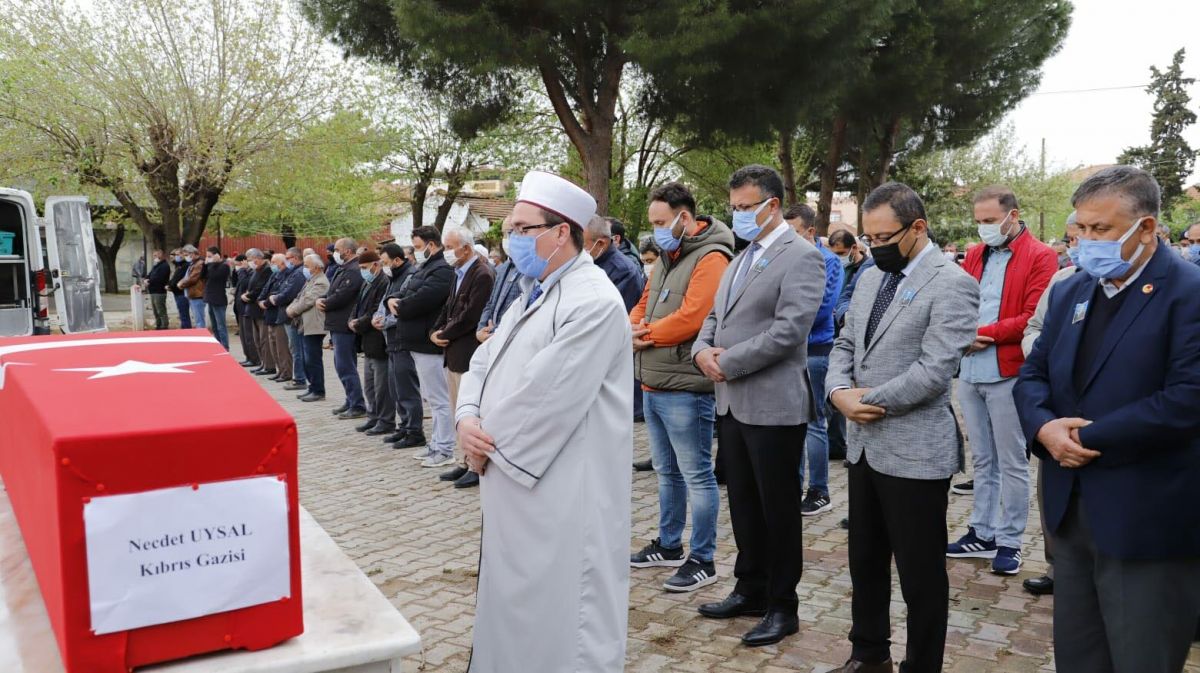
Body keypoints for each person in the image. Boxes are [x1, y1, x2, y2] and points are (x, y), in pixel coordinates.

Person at [1013, 166, 1200, 673]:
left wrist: (1087, 436)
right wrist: (1044, 428)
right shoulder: (1073, 290)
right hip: (1070, 514)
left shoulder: (1188, 291)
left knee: (1142, 658)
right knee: (1079, 657)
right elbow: (1033, 373)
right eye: (1081, 230)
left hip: (1145, 517)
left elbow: (1186, 399)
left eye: (1102, 231)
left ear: (1147, 228)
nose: (1087, 242)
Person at [454, 171, 632, 672]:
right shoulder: (535, 290)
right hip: (517, 476)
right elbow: (486, 362)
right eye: (511, 227)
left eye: (522, 227)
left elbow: (545, 396)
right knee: (514, 605)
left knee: (567, 615)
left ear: (561, 232)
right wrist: (468, 416)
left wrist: (482, 443)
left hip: (563, 484)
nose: (511, 237)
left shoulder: (591, 300)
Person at [826, 182, 980, 673]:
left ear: (918, 228)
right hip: (864, 446)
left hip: (914, 448)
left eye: (884, 237)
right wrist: (836, 393)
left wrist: (863, 400)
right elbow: (845, 343)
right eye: (868, 238)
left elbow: (935, 371)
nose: (875, 247)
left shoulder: (952, 283)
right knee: (865, 562)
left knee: (920, 576)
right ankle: (868, 655)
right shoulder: (871, 276)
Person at [691, 165, 826, 647]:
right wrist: (702, 351)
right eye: (735, 207)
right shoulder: (742, 256)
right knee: (744, 504)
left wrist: (729, 362)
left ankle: (782, 605)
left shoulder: (802, 257)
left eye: (747, 207)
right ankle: (749, 588)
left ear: (773, 205)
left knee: (778, 510)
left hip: (772, 406)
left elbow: (790, 331)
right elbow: (714, 316)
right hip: (731, 403)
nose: (740, 215)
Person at [946, 187, 1058, 576]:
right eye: (979, 221)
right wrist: (964, 331)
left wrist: (985, 333)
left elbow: (1032, 316)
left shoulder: (1041, 256)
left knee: (1011, 461)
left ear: (1013, 215)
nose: (983, 228)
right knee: (982, 459)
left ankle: (1010, 540)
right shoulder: (975, 254)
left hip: (1007, 370)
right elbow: (959, 301)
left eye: (990, 221)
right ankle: (982, 530)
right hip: (971, 369)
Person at [628, 181, 733, 592]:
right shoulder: (670, 256)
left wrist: (646, 334)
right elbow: (646, 298)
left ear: (684, 217)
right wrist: (633, 325)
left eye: (660, 222)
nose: (655, 230)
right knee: (666, 472)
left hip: (686, 386)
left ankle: (703, 557)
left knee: (696, 475)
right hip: (654, 381)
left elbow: (693, 317)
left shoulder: (711, 256)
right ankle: (669, 544)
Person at [1018, 211, 1081, 597]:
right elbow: (1035, 329)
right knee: (1052, 496)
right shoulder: (1062, 282)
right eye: (1075, 237)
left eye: (1094, 233)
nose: (1080, 245)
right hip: (1057, 410)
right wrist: (1043, 356)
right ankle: (1057, 568)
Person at [784, 203, 845, 517]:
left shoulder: (830, 261)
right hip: (787, 352)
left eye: (794, 232)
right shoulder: (787, 257)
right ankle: (792, 487)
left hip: (815, 351)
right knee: (792, 423)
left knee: (814, 423)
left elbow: (822, 308)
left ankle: (819, 490)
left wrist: (783, 321)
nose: (788, 238)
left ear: (810, 231)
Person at [385, 227, 454, 458]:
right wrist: (392, 300)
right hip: (415, 340)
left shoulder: (442, 270)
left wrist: (399, 305)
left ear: (431, 245)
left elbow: (422, 299)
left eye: (417, 247)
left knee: (439, 399)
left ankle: (445, 448)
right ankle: (435, 443)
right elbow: (404, 291)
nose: (414, 252)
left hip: (428, 341)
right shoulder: (425, 267)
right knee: (432, 398)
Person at [433, 227, 495, 482]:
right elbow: (449, 306)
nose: (446, 252)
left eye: (449, 247)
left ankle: (474, 465)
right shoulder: (457, 273)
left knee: (469, 410)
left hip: (468, 350)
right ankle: (463, 459)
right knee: (456, 407)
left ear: (466, 248)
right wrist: (435, 330)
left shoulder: (481, 273)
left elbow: (470, 315)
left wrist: (445, 332)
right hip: (453, 350)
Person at [373, 244, 422, 446]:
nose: (383, 267)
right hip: (391, 340)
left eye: (385, 262)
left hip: (403, 339)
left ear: (396, 260)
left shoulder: (410, 276)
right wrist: (377, 317)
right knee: (396, 388)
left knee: (407, 388)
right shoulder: (393, 277)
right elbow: (384, 303)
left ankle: (415, 431)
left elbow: (404, 307)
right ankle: (404, 426)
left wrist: (385, 321)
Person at [320, 238, 366, 419]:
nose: (334, 253)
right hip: (337, 323)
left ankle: (357, 404)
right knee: (341, 365)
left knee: (345, 365)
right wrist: (323, 298)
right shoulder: (344, 268)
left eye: (337, 250)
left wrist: (324, 302)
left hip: (343, 324)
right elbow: (333, 291)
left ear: (347, 251)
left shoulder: (354, 270)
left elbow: (342, 296)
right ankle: (350, 399)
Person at [351, 251, 394, 436]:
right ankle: (373, 417)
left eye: (364, 268)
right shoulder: (367, 282)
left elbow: (374, 311)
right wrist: (352, 319)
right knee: (369, 384)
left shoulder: (383, 282)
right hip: (367, 342)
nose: (363, 271)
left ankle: (385, 420)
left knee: (381, 385)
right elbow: (358, 305)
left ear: (375, 265)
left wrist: (358, 322)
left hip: (378, 340)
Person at [287, 254, 330, 402]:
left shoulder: (321, 282)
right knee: (307, 359)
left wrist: (292, 310)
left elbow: (308, 300)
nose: (305, 268)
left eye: (307, 265)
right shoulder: (311, 280)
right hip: (305, 325)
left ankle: (318, 390)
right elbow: (299, 297)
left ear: (317, 267)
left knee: (313, 359)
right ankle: (312, 387)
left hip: (315, 326)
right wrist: (291, 307)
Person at [476, 217, 522, 345]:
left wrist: (495, 332)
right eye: (504, 234)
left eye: (511, 232)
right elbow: (491, 303)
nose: (506, 238)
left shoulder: (529, 271)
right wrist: (481, 329)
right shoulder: (502, 269)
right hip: (490, 340)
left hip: (509, 341)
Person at [585, 216, 645, 310]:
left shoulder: (624, 272)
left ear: (601, 244)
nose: (578, 250)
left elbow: (615, 312)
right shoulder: (591, 261)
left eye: (583, 246)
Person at [272, 248, 308, 390]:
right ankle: (298, 377)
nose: (287, 261)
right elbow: (282, 289)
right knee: (295, 348)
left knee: (296, 349)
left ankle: (299, 379)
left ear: (295, 258)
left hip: (291, 315)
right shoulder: (293, 272)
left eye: (288, 258)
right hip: (287, 314)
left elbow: (289, 293)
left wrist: (275, 298)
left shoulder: (298, 273)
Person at [257, 254, 291, 382]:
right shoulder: (274, 274)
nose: (272, 264)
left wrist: (265, 303)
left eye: (274, 262)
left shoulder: (287, 274)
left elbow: (278, 292)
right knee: (273, 345)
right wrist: (260, 299)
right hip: (269, 314)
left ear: (282, 263)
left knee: (282, 347)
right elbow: (266, 289)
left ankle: (286, 372)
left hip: (278, 313)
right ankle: (279, 370)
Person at [243, 250, 275, 376]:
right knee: (257, 339)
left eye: (252, 259)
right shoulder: (256, 270)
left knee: (264, 339)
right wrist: (247, 294)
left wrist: (248, 296)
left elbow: (261, 288)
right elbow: (252, 286)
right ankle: (263, 363)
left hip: (260, 309)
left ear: (259, 258)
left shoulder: (267, 270)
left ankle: (269, 365)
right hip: (253, 309)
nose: (251, 262)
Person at [201, 247, 231, 349]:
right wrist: (205, 265)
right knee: (214, 325)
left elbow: (214, 276)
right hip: (210, 299)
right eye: (207, 256)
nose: (208, 258)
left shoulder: (224, 266)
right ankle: (218, 344)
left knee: (220, 325)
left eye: (210, 256)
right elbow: (202, 276)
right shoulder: (210, 266)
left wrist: (213, 263)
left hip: (219, 299)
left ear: (217, 255)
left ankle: (225, 346)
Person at [232, 254, 259, 366]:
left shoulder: (252, 273)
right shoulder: (245, 272)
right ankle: (248, 356)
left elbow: (244, 284)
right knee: (243, 336)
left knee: (249, 336)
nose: (237, 267)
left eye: (239, 264)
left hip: (247, 308)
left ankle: (254, 358)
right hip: (240, 308)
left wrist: (242, 270)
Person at [176, 245, 207, 329]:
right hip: (193, 294)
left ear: (192, 253)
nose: (185, 257)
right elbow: (188, 277)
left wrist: (181, 284)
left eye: (186, 255)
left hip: (198, 294)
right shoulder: (193, 263)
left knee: (199, 319)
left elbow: (193, 278)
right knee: (197, 318)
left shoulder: (199, 263)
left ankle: (201, 337)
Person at [144, 249, 171, 330]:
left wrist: (149, 281)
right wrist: (146, 279)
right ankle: (158, 325)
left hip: (160, 291)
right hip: (153, 290)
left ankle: (164, 326)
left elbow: (160, 278)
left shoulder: (165, 266)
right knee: (155, 311)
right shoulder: (156, 265)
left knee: (161, 310)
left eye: (156, 255)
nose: (154, 257)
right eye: (153, 255)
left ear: (161, 255)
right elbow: (150, 274)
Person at [167, 249, 192, 329]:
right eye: (175, 255)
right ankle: (184, 328)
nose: (176, 256)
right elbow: (174, 278)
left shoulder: (185, 266)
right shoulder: (178, 266)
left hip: (182, 292)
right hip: (177, 292)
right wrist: (169, 285)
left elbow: (179, 278)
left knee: (184, 313)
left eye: (178, 254)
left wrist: (171, 286)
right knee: (182, 313)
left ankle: (186, 330)